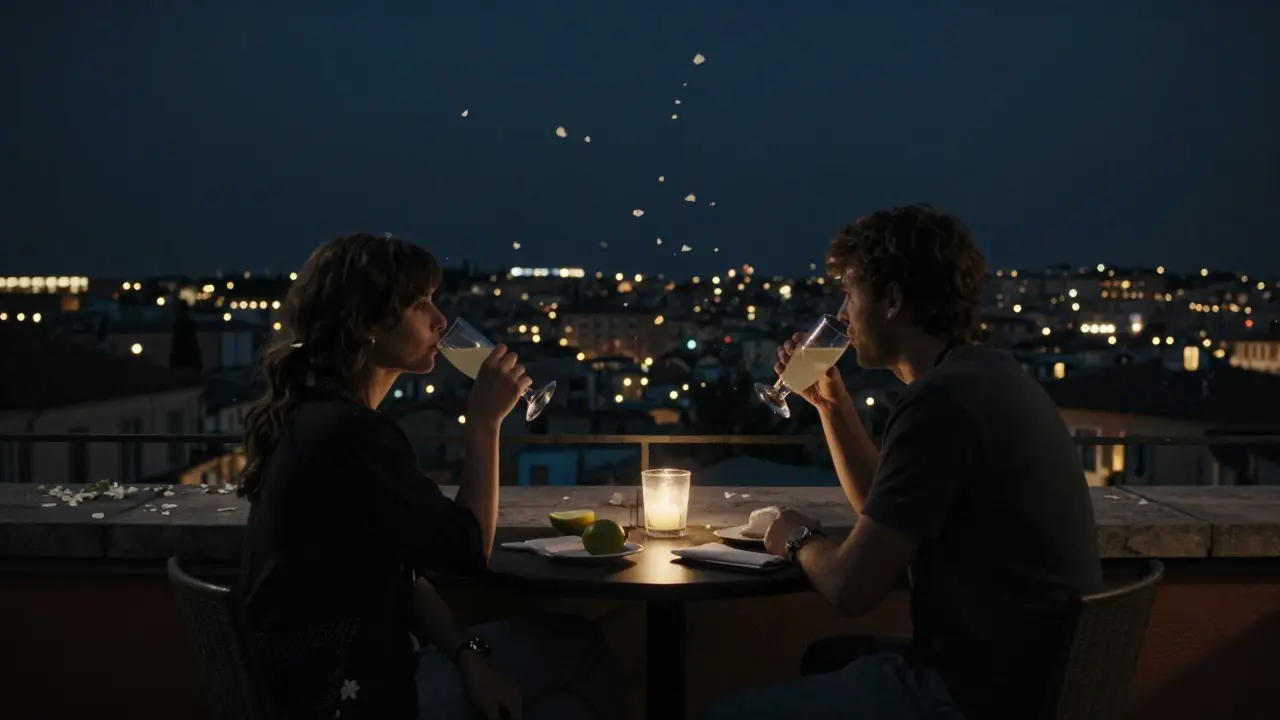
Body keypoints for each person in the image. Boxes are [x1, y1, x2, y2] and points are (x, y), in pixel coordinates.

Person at [704, 205, 1104, 719]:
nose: (843, 315)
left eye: (851, 295)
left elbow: (852, 587)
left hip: (978, 694)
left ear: (892, 300)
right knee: (828, 658)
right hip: (1033, 673)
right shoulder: (986, 375)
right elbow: (885, 506)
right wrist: (831, 406)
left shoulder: (941, 402)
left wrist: (796, 538)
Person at [236, 233, 619, 720]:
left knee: (561, 710)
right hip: (349, 692)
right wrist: (485, 422)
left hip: (313, 678)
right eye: (420, 305)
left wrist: (467, 655)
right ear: (367, 323)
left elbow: (400, 573)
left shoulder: (316, 417)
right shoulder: (352, 434)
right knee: (578, 648)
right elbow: (468, 549)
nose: (440, 321)